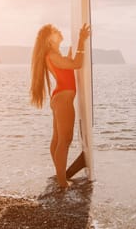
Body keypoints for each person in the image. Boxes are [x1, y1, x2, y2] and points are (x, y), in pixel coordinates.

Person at [30, 23, 90, 188]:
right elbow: (77, 64)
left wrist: (75, 47)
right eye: (56, 31)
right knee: (65, 140)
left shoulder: (54, 55)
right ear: (50, 39)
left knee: (58, 139)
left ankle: (60, 176)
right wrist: (82, 41)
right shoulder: (52, 55)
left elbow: (70, 64)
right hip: (63, 99)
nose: (60, 32)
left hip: (60, 97)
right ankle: (62, 183)